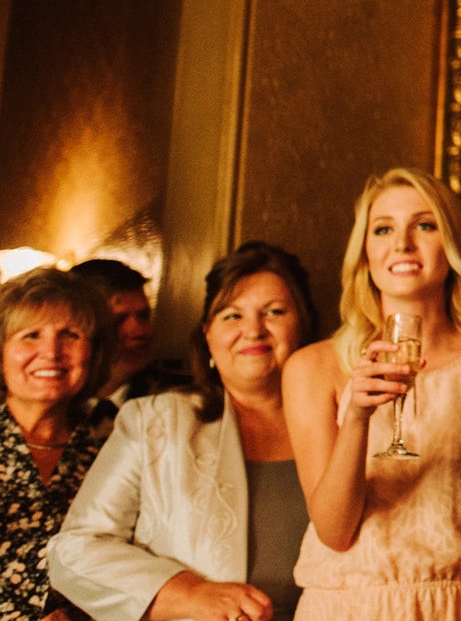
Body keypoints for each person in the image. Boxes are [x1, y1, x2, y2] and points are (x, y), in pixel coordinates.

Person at [283, 168, 461, 621]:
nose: (402, 243)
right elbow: (334, 531)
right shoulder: (312, 367)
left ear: (451, 246)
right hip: (344, 606)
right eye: (383, 229)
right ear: (365, 251)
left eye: (424, 225)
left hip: (457, 605)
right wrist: (356, 418)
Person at [50, 242, 318, 621]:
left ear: (303, 325)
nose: (253, 330)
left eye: (274, 312)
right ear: (207, 335)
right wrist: (187, 592)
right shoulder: (154, 422)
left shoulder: (352, 425)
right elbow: (75, 549)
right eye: (231, 316)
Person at [0, 266, 115, 621]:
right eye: (30, 335)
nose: (51, 352)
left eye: (71, 335)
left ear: (93, 352)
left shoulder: (114, 436)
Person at [68, 258, 159, 418]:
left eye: (143, 316)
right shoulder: (49, 402)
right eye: (117, 321)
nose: (139, 332)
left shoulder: (167, 405)